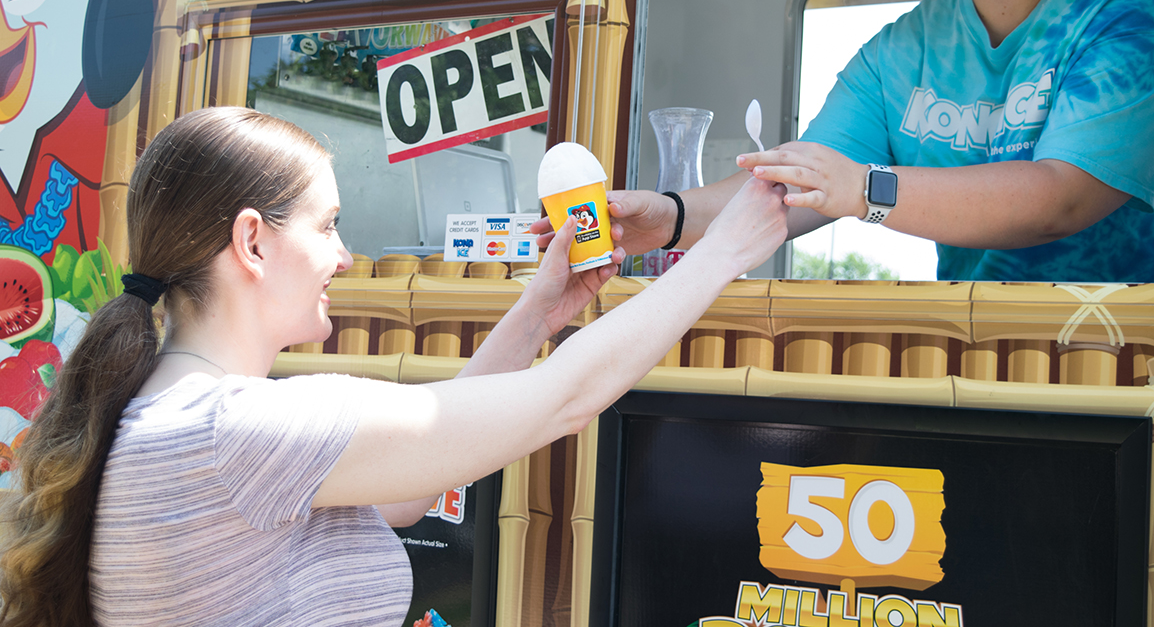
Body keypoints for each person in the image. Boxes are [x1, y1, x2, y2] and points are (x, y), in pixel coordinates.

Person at [0, 107, 788, 626]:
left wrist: (539, 313)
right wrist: (725, 247)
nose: (345, 255)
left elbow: (411, 490)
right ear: (252, 242)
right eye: (329, 225)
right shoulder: (242, 428)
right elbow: (565, 400)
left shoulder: (182, 417)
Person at [542, 0, 1154, 283]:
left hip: (1117, 359)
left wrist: (866, 190)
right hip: (975, 349)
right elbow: (796, 190)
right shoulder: (901, 48)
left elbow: (1060, 199)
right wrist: (670, 218)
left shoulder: (1130, 14)